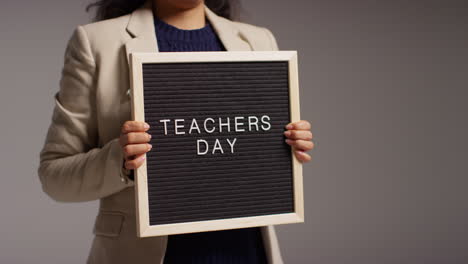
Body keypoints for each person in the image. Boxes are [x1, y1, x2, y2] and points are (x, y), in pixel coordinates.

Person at [37, 0, 315, 263]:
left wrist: (286, 144)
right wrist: (119, 159)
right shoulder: (97, 42)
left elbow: (255, 146)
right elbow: (54, 175)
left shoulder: (258, 41)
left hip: (245, 251)